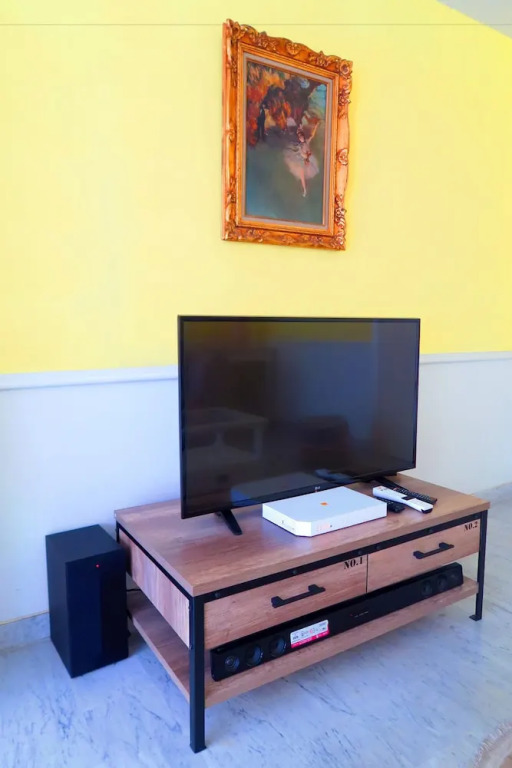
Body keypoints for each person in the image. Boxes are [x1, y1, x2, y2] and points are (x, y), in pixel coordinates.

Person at [283, 121, 320, 197]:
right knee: (302, 176)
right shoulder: (299, 146)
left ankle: (308, 187)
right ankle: (304, 190)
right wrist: (304, 156)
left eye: (301, 137)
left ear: (303, 137)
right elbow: (299, 153)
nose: (301, 139)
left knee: (308, 173)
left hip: (308, 160)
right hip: (301, 162)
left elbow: (312, 135)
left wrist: (316, 126)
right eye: (300, 138)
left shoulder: (307, 142)